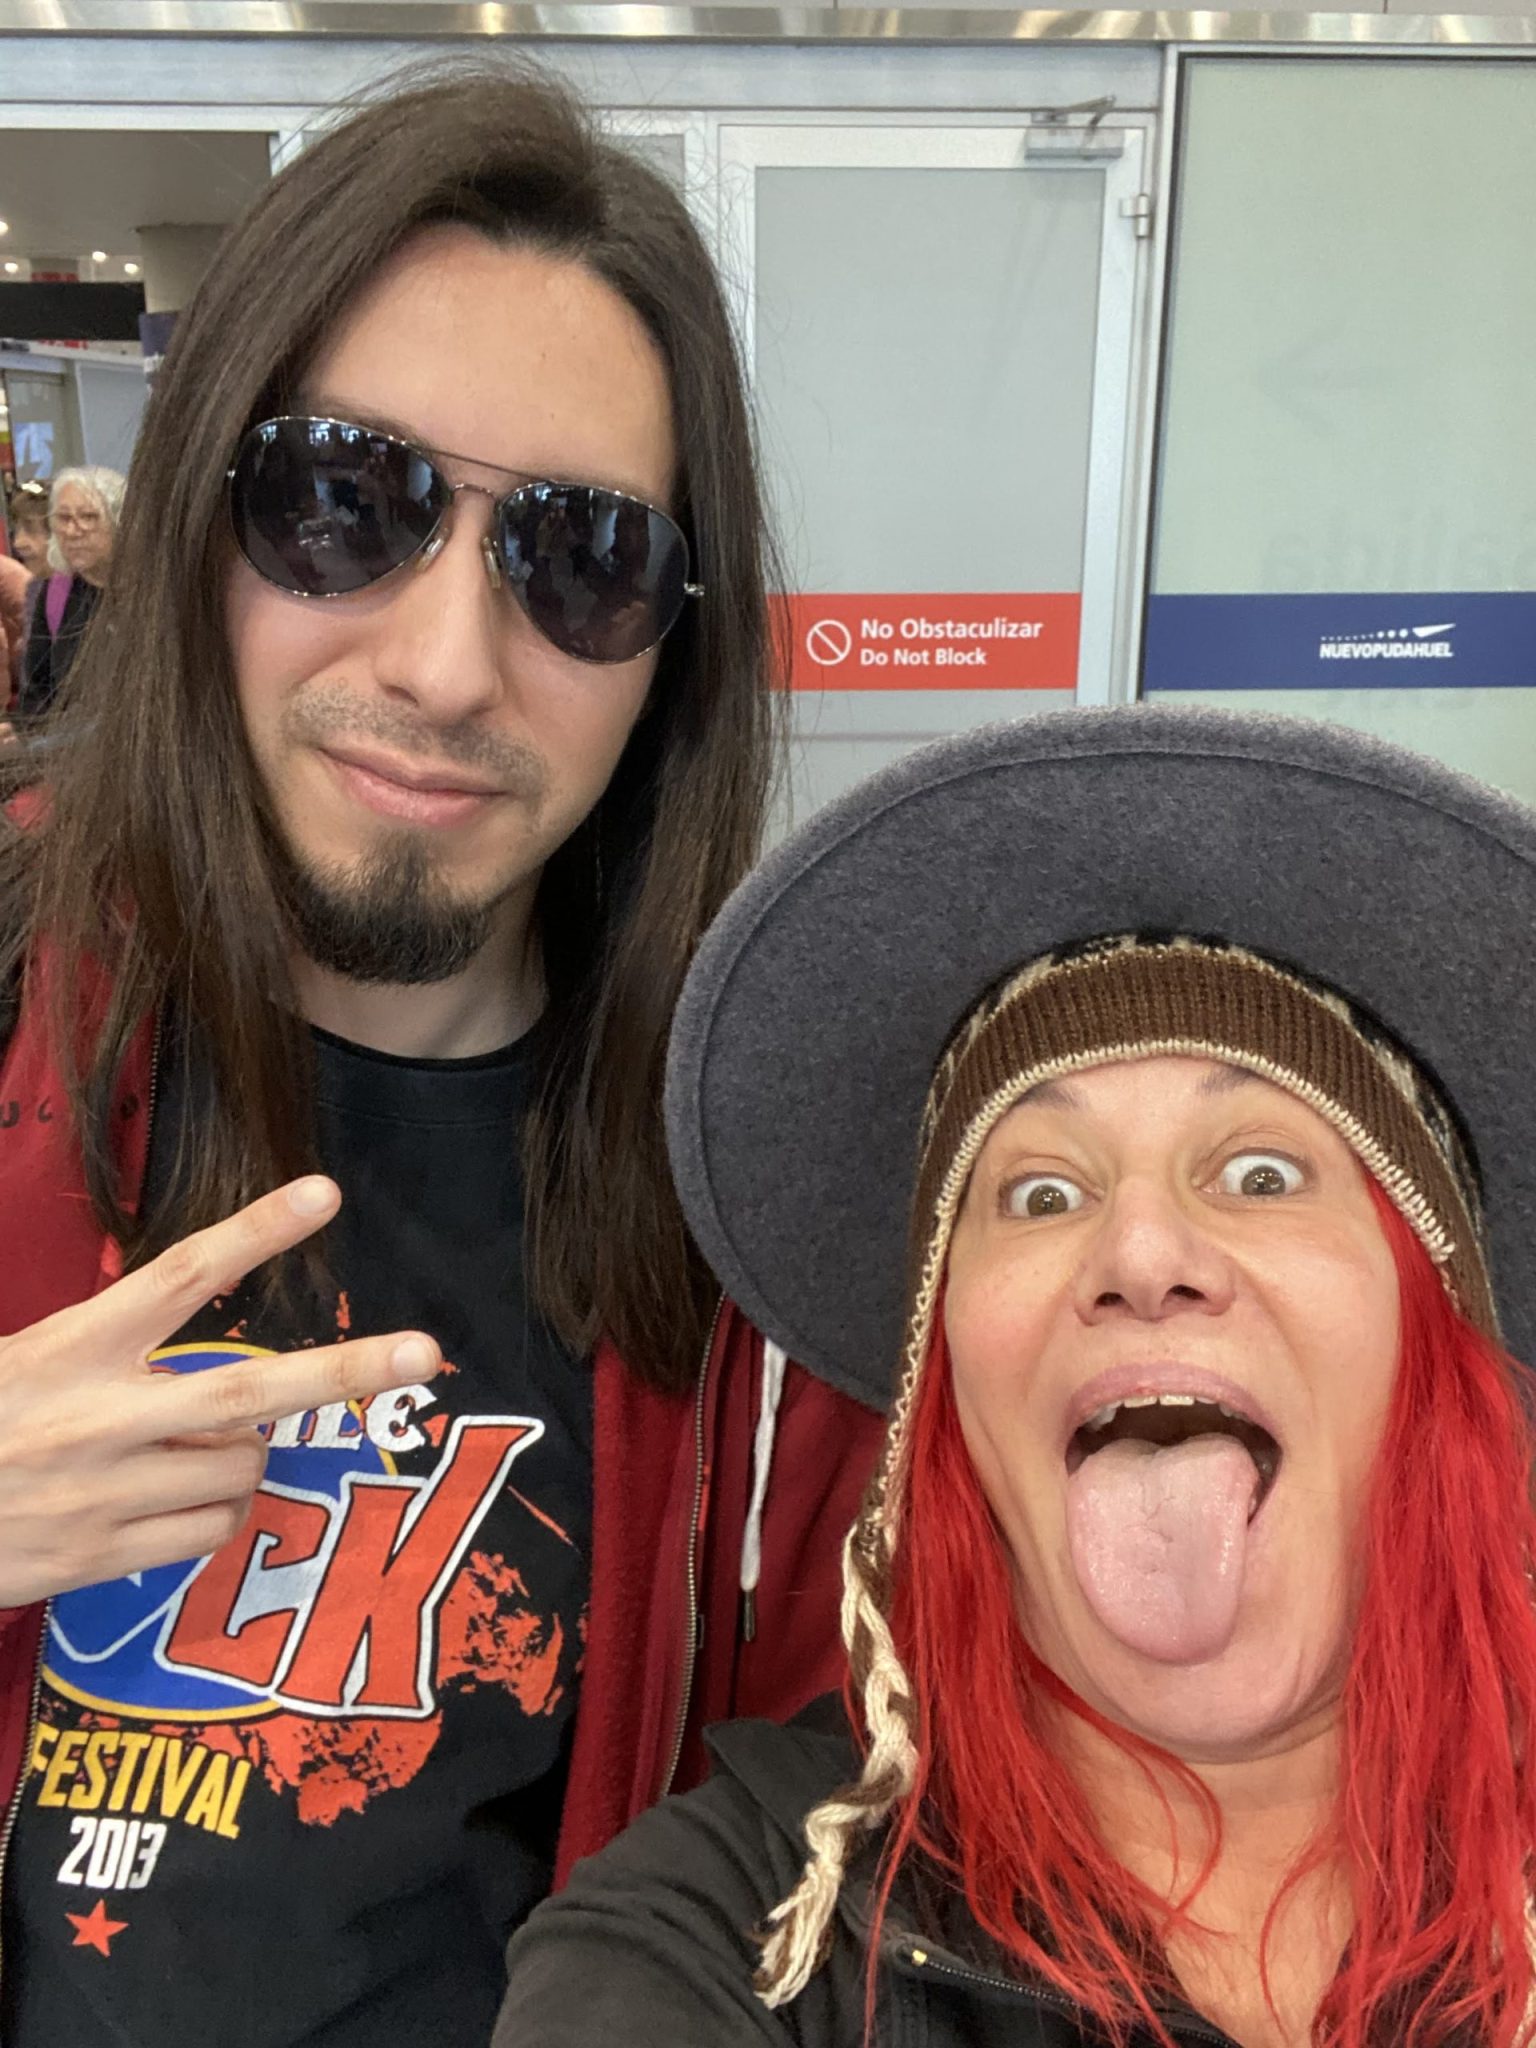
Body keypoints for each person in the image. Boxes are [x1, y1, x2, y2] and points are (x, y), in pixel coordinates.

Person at [0, 63, 883, 2048]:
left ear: (670, 651)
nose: (443, 666)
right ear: (201, 513)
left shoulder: (752, 1214)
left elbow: (829, 1810)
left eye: (580, 559)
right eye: (343, 502)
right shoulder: (11, 974)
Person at [499, 706, 1536, 2048]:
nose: (1142, 1253)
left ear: (1435, 1332)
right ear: (942, 1386)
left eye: (1261, 1172)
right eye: (1041, 1193)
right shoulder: (722, 1930)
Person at [17, 464, 126, 720]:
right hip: (71, 735)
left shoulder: (147, 590)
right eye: (63, 518)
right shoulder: (56, 592)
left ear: (119, 522)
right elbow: (37, 690)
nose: (72, 531)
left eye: (88, 517)